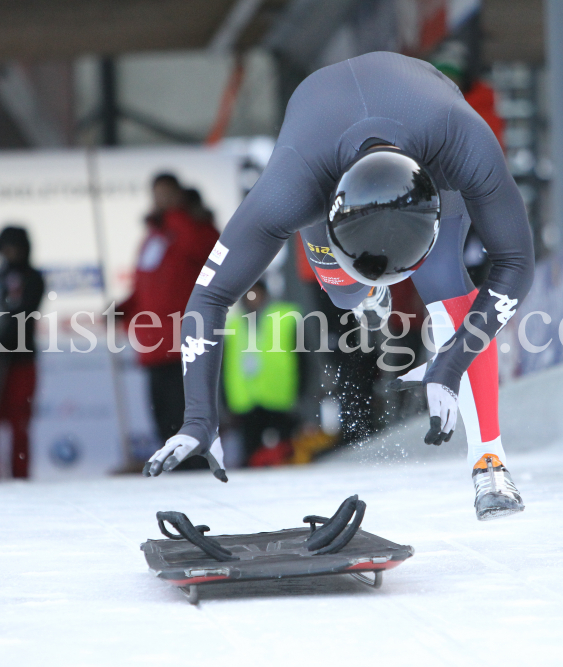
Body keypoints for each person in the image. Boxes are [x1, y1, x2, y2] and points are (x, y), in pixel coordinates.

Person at [144, 52, 534, 522]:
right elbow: (208, 297)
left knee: (449, 290)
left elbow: (515, 265)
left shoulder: (461, 143)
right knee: (345, 293)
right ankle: (366, 295)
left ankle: (489, 461)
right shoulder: (294, 187)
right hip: (325, 148)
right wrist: (198, 418)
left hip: (424, 139)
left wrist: (450, 365)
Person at [119, 175, 219, 465]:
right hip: (154, 345)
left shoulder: (195, 228)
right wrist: (123, 307)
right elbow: (144, 287)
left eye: (167, 193)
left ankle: (194, 469)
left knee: (184, 416)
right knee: (162, 415)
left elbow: (203, 252)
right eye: (157, 194)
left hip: (185, 340)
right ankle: (173, 469)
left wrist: (178, 215)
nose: (161, 200)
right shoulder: (153, 236)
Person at [0, 226, 45, 479]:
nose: (10, 253)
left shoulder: (33, 277)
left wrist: (3, 332)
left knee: (19, 421)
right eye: (5, 247)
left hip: (21, 359)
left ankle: (20, 476)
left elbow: (26, 312)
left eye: (15, 247)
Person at [222, 282, 300, 467]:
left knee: (285, 454)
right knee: (252, 456)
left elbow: (303, 359)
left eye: (255, 294)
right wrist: (226, 401)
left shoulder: (286, 317)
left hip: (280, 396)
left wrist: (302, 393)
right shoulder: (232, 324)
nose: (252, 299)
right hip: (246, 401)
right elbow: (225, 366)